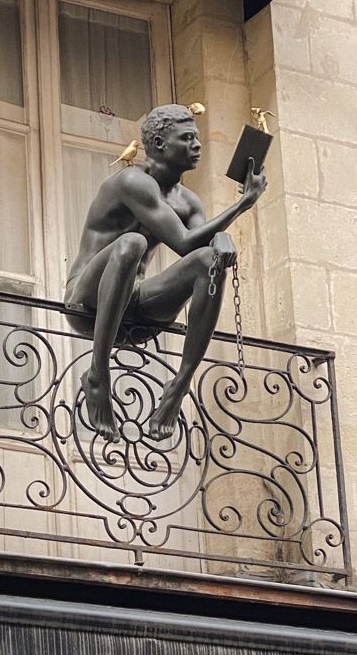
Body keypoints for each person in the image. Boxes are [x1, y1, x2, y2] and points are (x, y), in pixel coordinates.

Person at [64, 103, 267, 442]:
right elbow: (184, 241)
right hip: (88, 305)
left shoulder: (189, 201)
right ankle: (99, 372)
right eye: (187, 139)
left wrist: (223, 238)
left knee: (208, 261)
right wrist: (242, 204)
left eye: (197, 138)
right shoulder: (132, 182)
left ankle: (180, 384)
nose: (197, 146)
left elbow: (202, 247)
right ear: (158, 144)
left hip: (138, 315)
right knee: (132, 243)